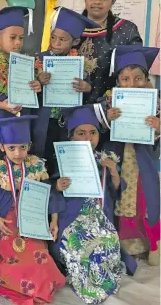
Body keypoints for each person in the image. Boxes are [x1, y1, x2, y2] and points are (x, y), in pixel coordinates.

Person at [0, 115, 65, 304]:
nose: (17, 153)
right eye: (11, 148)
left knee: (39, 254)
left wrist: (54, 221)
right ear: (1, 147)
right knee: (14, 255)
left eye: (23, 147)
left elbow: (49, 194)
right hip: (5, 223)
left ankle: (39, 286)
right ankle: (33, 288)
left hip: (32, 221)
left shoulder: (35, 166)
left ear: (29, 145)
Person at [49, 104, 136, 304]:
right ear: (71, 136)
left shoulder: (105, 160)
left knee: (107, 241)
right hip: (71, 216)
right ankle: (87, 284)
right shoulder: (62, 159)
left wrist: (113, 171)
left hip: (98, 215)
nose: (88, 138)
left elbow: (116, 191)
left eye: (93, 132)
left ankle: (102, 280)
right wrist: (58, 186)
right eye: (81, 133)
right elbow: (51, 193)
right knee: (78, 248)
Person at [98, 45, 160, 265]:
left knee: (144, 200)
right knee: (119, 195)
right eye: (125, 79)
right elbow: (98, 133)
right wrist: (107, 119)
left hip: (143, 161)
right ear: (118, 82)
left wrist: (158, 128)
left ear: (146, 79)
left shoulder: (156, 104)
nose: (132, 84)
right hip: (119, 158)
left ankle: (147, 244)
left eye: (138, 78)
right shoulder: (109, 102)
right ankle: (123, 244)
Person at [32, 6, 99, 171]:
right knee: (40, 157)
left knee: (64, 161)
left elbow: (89, 93)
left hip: (67, 121)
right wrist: (38, 81)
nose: (55, 43)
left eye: (62, 40)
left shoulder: (81, 64)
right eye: (53, 37)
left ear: (75, 42)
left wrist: (86, 87)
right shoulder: (39, 60)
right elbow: (27, 91)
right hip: (43, 119)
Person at [0, 7, 41, 158]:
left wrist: (37, 86)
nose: (18, 43)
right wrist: (2, 105)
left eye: (21, 38)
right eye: (12, 38)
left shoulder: (27, 64)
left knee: (19, 159)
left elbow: (31, 92)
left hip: (21, 121)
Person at [76, 0, 143, 103]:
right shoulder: (69, 28)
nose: (97, 1)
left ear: (113, 1)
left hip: (115, 104)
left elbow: (136, 71)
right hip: (70, 102)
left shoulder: (127, 31)